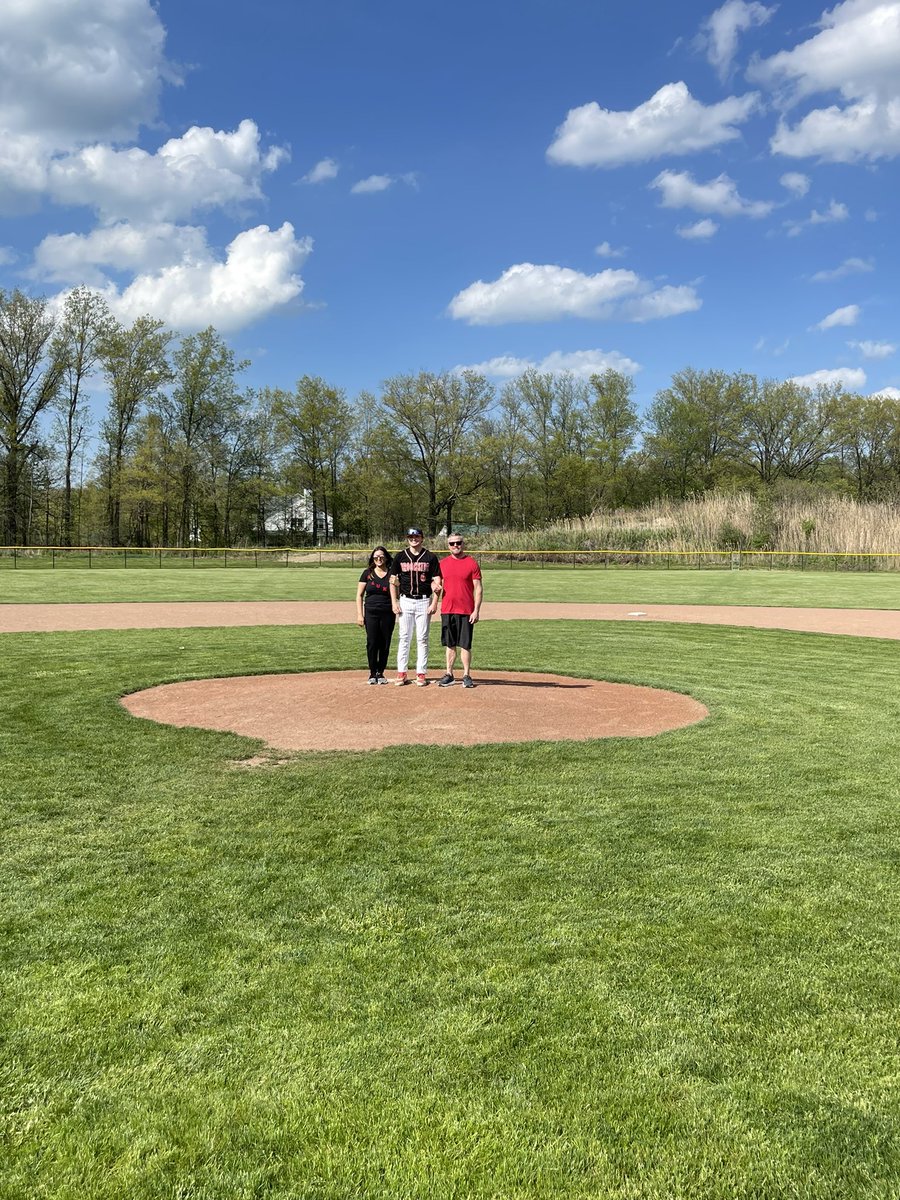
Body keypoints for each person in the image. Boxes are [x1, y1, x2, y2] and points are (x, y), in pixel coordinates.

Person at [389, 527, 442, 686]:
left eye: (417, 536)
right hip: (405, 601)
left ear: (422, 538)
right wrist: (394, 602)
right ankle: (402, 672)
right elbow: (393, 580)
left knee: (422, 638)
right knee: (404, 637)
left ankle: (421, 673)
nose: (414, 539)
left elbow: (437, 580)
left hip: (424, 601)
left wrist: (434, 602)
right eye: (411, 536)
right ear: (407, 538)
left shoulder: (430, 557)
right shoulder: (400, 556)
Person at [436, 533, 482, 689]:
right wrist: (433, 587)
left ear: (463, 543)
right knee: (450, 644)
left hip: (466, 610)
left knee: (465, 644)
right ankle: (449, 674)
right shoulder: (442, 563)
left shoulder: (471, 563)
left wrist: (476, 610)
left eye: (458, 543)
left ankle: (466, 675)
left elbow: (478, 588)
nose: (455, 546)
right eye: (452, 543)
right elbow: (436, 584)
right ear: (448, 546)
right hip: (448, 609)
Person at [356, 546, 395, 684]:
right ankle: (372, 672)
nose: (379, 559)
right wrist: (360, 615)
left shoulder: (392, 574)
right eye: (376, 557)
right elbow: (359, 595)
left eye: (382, 556)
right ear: (373, 558)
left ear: (386, 557)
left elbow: (397, 593)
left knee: (385, 643)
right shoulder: (367, 573)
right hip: (371, 612)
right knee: (372, 642)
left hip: (388, 613)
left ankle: (381, 672)